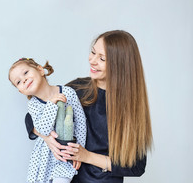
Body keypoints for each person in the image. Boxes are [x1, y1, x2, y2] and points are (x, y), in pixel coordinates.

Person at [25, 30, 153, 183]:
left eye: (102, 58)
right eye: (93, 52)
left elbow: (136, 167)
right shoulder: (76, 89)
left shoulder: (130, 109)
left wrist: (86, 156)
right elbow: (32, 117)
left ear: (120, 66)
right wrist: (47, 138)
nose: (92, 60)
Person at [9, 58, 87, 183]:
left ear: (40, 70)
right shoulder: (33, 105)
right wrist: (51, 104)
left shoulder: (68, 92)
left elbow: (81, 124)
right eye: (18, 82)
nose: (23, 80)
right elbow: (43, 129)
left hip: (65, 152)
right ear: (21, 91)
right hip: (43, 156)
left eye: (25, 73)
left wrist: (79, 151)